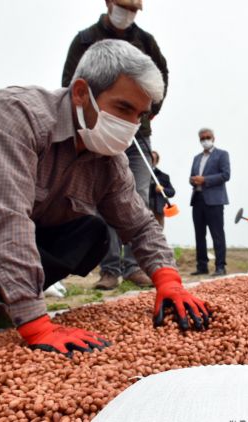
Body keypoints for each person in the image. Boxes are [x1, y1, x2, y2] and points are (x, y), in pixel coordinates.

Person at [0, 40, 210, 357]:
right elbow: (4, 215)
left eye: (140, 115)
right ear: (81, 93)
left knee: (89, 233)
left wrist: (169, 281)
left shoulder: (108, 160)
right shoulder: (17, 114)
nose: (130, 125)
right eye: (122, 107)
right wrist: (36, 325)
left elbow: (138, 225)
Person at [61, 0, 169, 291]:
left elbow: (162, 77)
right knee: (103, 200)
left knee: (138, 199)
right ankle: (110, 269)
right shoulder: (85, 40)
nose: (128, 14)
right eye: (123, 6)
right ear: (109, 3)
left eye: (134, 10)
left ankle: (137, 265)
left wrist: (144, 113)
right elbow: (69, 84)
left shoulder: (146, 41)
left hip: (137, 137)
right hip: (95, 127)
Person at [189, 128, 230, 276]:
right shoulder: (197, 158)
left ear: (213, 138)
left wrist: (205, 180)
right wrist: (193, 180)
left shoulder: (222, 155)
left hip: (214, 201)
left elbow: (226, 175)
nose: (205, 140)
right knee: (199, 235)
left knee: (217, 234)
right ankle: (202, 266)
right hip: (198, 199)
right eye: (202, 138)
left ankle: (220, 266)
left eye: (208, 137)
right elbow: (191, 177)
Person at [148, 150, 175, 227]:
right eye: (149, 158)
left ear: (156, 161)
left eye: (153, 159)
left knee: (158, 232)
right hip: (144, 208)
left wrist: (162, 189)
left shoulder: (164, 176)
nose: (151, 161)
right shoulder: (140, 174)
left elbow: (172, 192)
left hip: (158, 210)